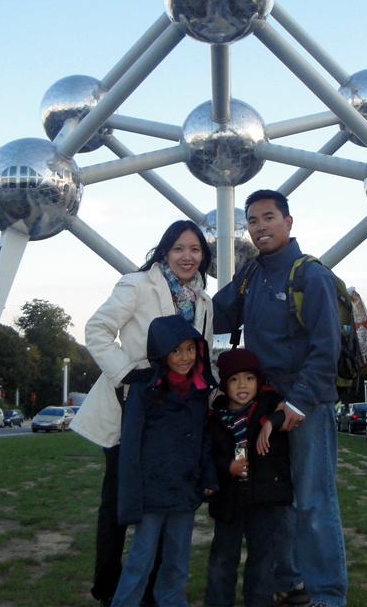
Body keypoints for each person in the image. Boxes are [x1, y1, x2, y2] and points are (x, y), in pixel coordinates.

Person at [212, 189, 347, 607]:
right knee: (276, 499)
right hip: (264, 408)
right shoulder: (251, 276)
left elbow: (327, 350)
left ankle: (327, 595)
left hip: (304, 406)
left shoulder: (312, 276)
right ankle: (290, 582)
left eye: (268, 217)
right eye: (252, 221)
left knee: (312, 500)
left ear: (289, 222)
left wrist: (297, 403)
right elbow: (214, 315)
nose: (259, 227)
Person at [71, 220, 215, 606]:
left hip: (174, 420)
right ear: (165, 251)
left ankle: (152, 590)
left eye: (196, 250)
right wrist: (128, 374)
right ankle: (108, 587)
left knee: (161, 505)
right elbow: (97, 329)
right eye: (180, 248)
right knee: (119, 504)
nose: (188, 256)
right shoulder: (137, 284)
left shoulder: (203, 301)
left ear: (204, 256)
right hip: (129, 412)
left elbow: (203, 355)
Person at [112, 315, 218, 607]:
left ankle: (172, 600)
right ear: (161, 352)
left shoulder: (199, 391)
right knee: (141, 559)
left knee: (178, 559)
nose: (184, 357)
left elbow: (204, 438)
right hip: (152, 491)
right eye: (176, 350)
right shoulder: (146, 390)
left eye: (190, 349)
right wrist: (131, 493)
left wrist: (208, 477)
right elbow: (131, 443)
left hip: (185, 490)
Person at [205, 348, 293, 607]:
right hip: (228, 501)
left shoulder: (266, 406)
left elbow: (286, 410)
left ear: (259, 381)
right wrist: (226, 467)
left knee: (262, 561)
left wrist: (271, 422)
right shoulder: (215, 418)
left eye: (249, 378)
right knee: (222, 560)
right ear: (224, 384)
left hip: (264, 500)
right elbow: (209, 456)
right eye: (234, 379)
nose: (242, 385)